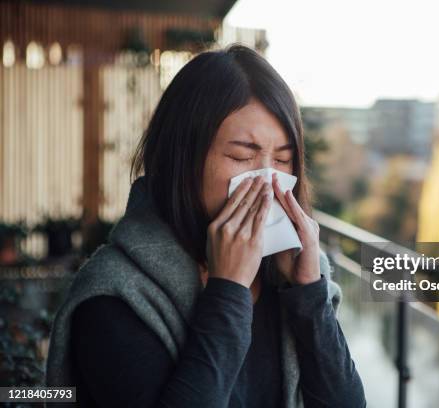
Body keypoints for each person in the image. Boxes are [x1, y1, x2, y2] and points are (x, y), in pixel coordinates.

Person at [45, 44, 366, 408]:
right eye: (241, 156)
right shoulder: (116, 295)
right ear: (183, 158)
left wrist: (310, 295)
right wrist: (227, 290)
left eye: (282, 159)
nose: (267, 182)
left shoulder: (293, 273)